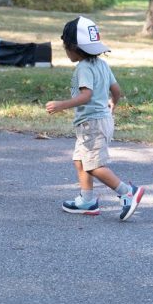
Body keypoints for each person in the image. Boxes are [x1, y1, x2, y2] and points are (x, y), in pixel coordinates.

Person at [45, 16, 144, 221]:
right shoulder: (102, 64)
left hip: (92, 124)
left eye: (65, 47)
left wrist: (61, 105)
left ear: (73, 47)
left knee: (93, 165)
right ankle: (87, 200)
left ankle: (127, 192)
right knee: (80, 160)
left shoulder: (83, 67)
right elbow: (116, 90)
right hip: (99, 121)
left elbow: (86, 95)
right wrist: (113, 103)